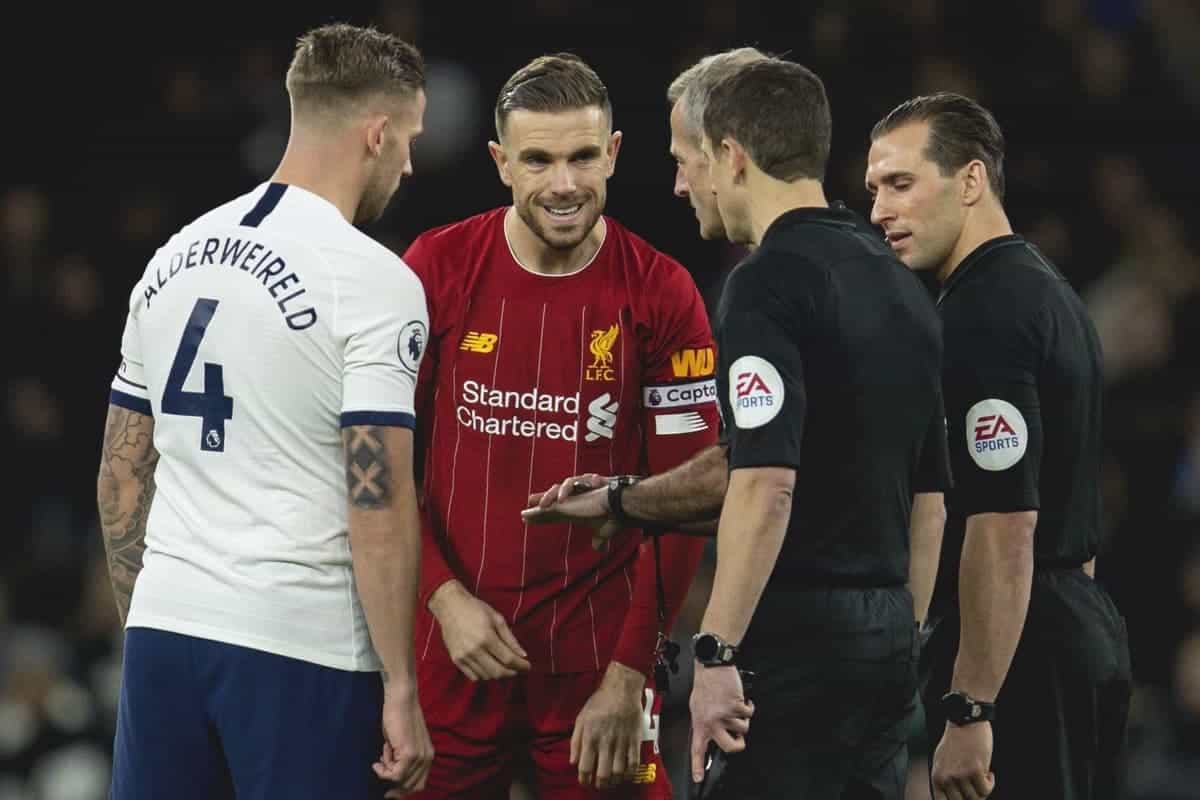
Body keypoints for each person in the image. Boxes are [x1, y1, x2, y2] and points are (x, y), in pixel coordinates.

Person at [532, 58, 951, 799]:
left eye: (685, 163)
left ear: (731, 155)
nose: (680, 185)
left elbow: (764, 479)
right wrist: (901, 638)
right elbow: (929, 495)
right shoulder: (903, 282)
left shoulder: (764, 284)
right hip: (886, 635)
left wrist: (718, 650)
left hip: (791, 642)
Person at [97, 23, 434, 800]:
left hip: (163, 633)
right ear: (376, 133)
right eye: (409, 139)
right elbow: (376, 502)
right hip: (301, 648)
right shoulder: (373, 281)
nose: (411, 162)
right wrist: (401, 687)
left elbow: (120, 479)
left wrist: (152, 620)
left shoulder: (170, 258)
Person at [401, 53, 719, 799]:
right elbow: (371, 466)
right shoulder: (434, 269)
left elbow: (688, 502)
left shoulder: (663, 292)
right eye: (538, 160)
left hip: (600, 673)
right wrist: (443, 598)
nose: (565, 184)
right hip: (448, 655)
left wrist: (629, 676)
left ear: (612, 152)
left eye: (582, 156)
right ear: (500, 162)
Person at [866, 92, 1133, 800]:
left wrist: (971, 704)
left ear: (972, 180)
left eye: (900, 184)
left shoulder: (985, 313)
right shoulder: (1047, 292)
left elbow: (1005, 522)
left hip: (1021, 647)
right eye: (873, 190)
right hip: (1070, 620)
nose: (879, 212)